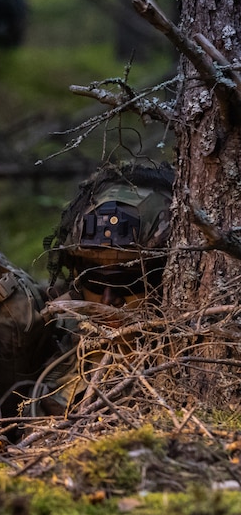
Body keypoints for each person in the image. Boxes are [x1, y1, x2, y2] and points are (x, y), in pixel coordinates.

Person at [35, 160, 174, 415]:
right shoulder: (57, 345)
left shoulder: (190, 362)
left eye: (128, 281)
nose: (109, 299)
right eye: (95, 281)